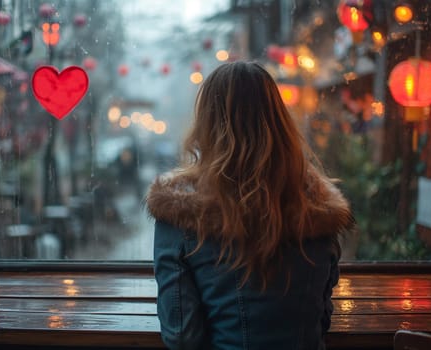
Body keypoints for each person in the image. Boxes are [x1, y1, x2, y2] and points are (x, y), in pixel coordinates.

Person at [146, 61, 354, 350]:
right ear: (279, 121)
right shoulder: (317, 208)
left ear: (206, 125)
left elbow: (182, 336)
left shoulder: (181, 215)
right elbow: (321, 317)